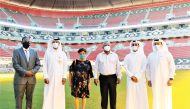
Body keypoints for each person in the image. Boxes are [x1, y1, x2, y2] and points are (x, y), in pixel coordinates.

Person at [12, 36, 41, 109]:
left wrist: (32, 72)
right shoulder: (16, 51)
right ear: (22, 42)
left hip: (31, 80)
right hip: (20, 80)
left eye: (28, 41)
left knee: (29, 99)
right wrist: (25, 72)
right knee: (18, 99)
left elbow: (38, 64)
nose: (27, 42)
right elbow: (15, 64)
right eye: (25, 41)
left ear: (30, 43)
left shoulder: (34, 52)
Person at [147, 39, 176, 109]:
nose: (156, 45)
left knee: (166, 96)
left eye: (158, 43)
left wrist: (171, 78)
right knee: (156, 96)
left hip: (165, 80)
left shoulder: (167, 54)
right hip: (154, 80)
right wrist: (149, 79)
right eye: (155, 43)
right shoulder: (150, 55)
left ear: (162, 44)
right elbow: (147, 68)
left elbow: (172, 66)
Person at [94, 41, 122, 109]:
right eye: (105, 45)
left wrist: (119, 77)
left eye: (108, 45)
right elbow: (96, 67)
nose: (107, 46)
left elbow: (118, 67)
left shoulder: (115, 55)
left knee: (113, 96)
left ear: (110, 46)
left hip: (113, 77)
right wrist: (95, 77)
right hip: (103, 78)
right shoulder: (99, 55)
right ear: (103, 47)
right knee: (104, 96)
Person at [42, 37, 68, 109]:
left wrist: (64, 77)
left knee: (59, 95)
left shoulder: (63, 54)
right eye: (54, 42)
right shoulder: (48, 53)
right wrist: (45, 76)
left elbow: (65, 66)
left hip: (60, 79)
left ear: (59, 43)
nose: (55, 43)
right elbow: (44, 65)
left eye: (57, 42)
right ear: (51, 43)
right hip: (49, 79)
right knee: (48, 95)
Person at [123, 40, 149, 109]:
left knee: (141, 96)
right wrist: (131, 76)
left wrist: (137, 76)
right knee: (131, 97)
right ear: (131, 46)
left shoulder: (143, 56)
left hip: (140, 80)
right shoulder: (127, 56)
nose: (134, 46)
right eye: (133, 44)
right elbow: (125, 67)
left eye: (136, 44)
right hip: (130, 80)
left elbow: (144, 67)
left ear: (138, 46)